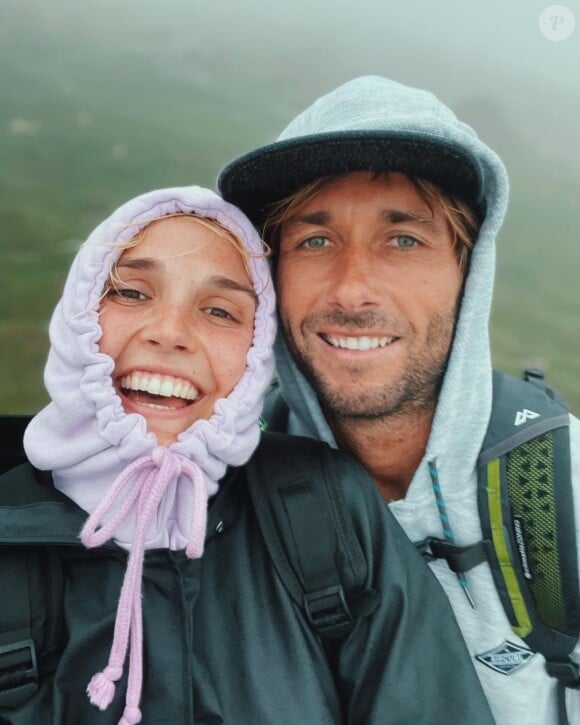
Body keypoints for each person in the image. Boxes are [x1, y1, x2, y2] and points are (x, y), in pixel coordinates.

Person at [0, 185, 494, 724]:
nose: (170, 334)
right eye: (131, 293)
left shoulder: (325, 510)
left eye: (219, 310)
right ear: (77, 310)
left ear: (258, 348)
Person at [218, 75, 580, 725]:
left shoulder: (568, 492)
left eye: (404, 239)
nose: (353, 290)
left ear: (468, 269)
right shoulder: (215, 503)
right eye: (315, 239)